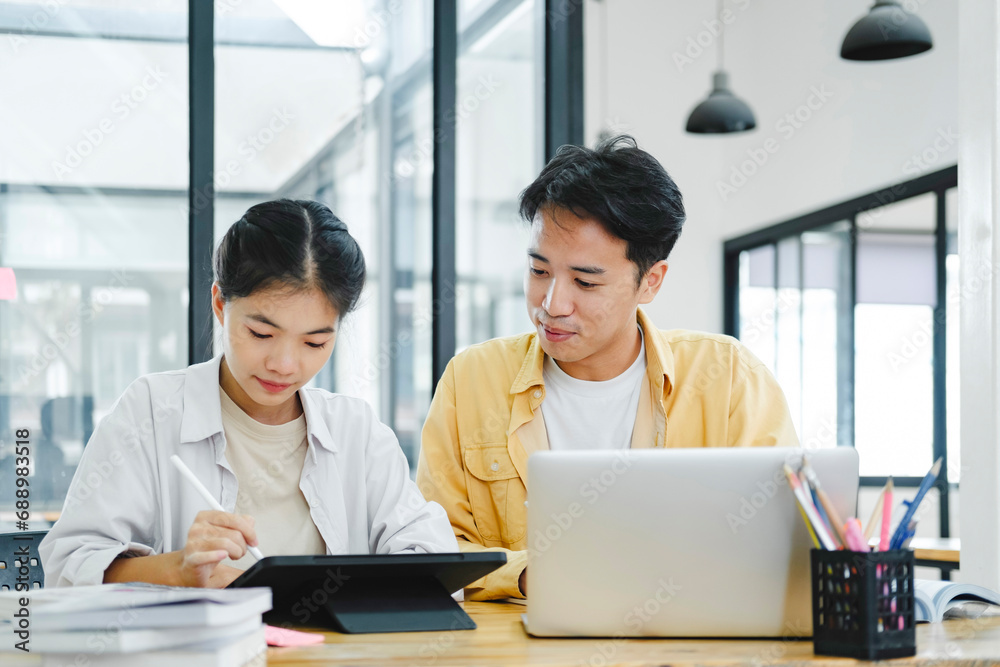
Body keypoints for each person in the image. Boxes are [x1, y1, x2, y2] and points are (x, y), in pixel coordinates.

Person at [416, 135, 798, 601]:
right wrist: (529, 575)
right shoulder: (471, 379)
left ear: (650, 281)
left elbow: (781, 540)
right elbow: (433, 548)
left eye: (584, 281)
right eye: (539, 272)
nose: (552, 305)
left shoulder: (729, 377)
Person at [41, 199, 457, 588]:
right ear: (220, 303)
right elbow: (68, 566)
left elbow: (429, 554)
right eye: (261, 333)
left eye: (314, 343)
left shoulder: (354, 429)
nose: (284, 364)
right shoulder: (152, 410)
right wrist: (178, 570)